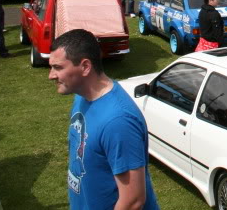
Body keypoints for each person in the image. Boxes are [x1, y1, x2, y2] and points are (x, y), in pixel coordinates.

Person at [48, 29, 159, 209]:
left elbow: (132, 201)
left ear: (85, 67)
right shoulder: (82, 98)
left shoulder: (118, 121)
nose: (51, 75)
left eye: (58, 67)